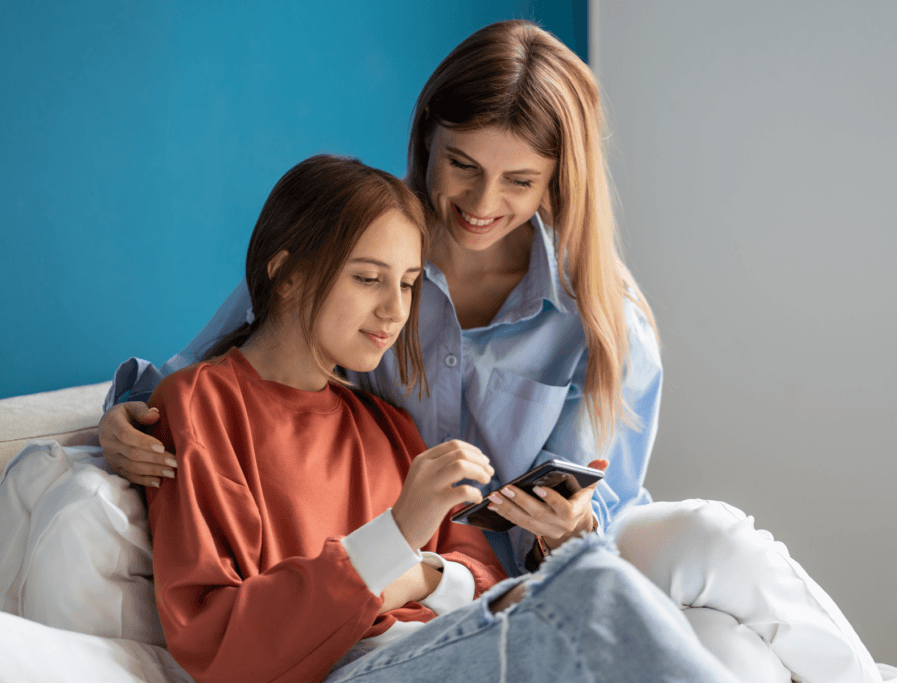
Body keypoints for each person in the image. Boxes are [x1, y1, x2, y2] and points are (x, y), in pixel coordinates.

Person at [104, 20, 887, 682]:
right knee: (717, 650)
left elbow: (579, 522)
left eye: (519, 180)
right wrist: (125, 419)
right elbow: (220, 364)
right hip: (434, 582)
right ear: (429, 143)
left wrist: (556, 530)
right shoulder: (350, 252)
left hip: (557, 551)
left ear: (556, 181)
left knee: (715, 539)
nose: (483, 204)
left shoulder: (600, 313)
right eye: (464, 167)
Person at [144, 153, 736, 683]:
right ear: (288, 274)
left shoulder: (384, 424)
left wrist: (418, 574)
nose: (394, 310)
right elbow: (218, 642)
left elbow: (479, 573)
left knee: (609, 576)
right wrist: (396, 536)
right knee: (594, 588)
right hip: (341, 668)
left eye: (406, 284)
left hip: (437, 645)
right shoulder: (202, 405)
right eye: (368, 279)